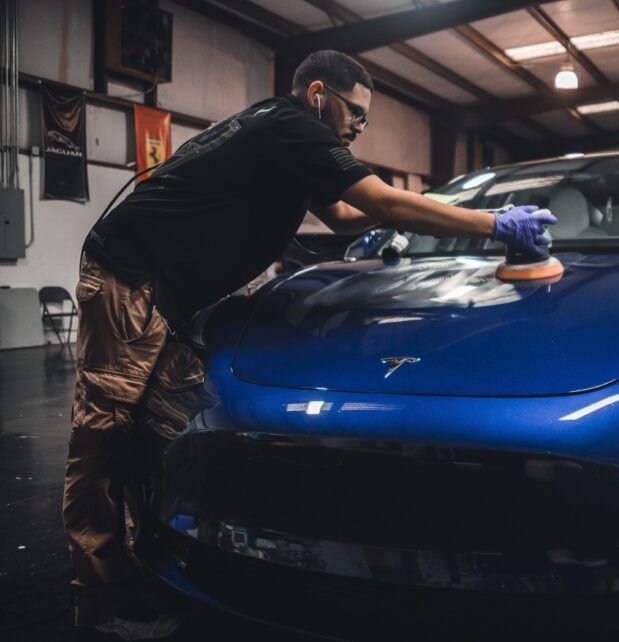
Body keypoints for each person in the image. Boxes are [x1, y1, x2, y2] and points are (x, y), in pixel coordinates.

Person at [65, 49, 555, 638]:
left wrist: (422, 217)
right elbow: (380, 200)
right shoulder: (290, 126)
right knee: (106, 430)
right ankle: (100, 590)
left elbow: (349, 214)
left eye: (365, 121)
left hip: (168, 294)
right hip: (129, 277)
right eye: (355, 113)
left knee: (163, 421)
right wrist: (495, 224)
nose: (358, 127)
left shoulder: (290, 141)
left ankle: (156, 555)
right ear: (318, 92)